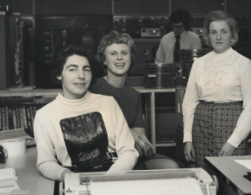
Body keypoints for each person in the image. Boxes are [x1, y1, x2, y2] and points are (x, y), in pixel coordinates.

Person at [34, 45, 139, 182]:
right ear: (59, 74)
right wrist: (68, 176)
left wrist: (109, 178)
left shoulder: (108, 103)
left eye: (86, 70)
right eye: (72, 69)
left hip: (115, 179)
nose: (81, 76)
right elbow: (45, 162)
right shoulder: (44, 115)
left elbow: (129, 151)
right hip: (75, 183)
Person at [90, 30, 180, 169]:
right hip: (106, 158)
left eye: (124, 53)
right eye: (113, 54)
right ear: (104, 60)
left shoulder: (134, 95)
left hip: (132, 155)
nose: (119, 58)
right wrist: (129, 131)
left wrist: (145, 145)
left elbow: (140, 139)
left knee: (172, 166)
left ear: (131, 58)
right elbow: (96, 133)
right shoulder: (95, 88)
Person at [182, 10, 251, 169]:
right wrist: (188, 139)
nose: (218, 37)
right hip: (200, 129)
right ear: (207, 36)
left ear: (232, 35)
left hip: (231, 128)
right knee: (205, 179)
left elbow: (250, 108)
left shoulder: (244, 64)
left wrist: (233, 142)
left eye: (223, 32)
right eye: (213, 32)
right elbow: (189, 104)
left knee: (230, 182)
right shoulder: (198, 63)